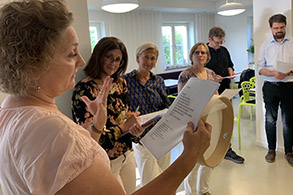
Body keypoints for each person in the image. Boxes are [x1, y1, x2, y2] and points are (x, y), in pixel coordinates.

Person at [0, 1, 212, 194]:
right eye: (72, 53)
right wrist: (189, 156)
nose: (81, 61)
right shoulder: (54, 131)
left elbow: (68, 170)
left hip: (124, 151)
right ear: (37, 64)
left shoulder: (8, 112)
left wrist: (97, 128)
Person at [71, 36, 144, 194]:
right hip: (104, 160)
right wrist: (124, 126)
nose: (113, 63)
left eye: (118, 59)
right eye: (109, 57)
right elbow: (91, 140)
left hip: (126, 154)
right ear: (99, 56)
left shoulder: (120, 83)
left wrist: (133, 129)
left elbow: (125, 116)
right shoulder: (84, 90)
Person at [123, 42, 171, 186]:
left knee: (164, 178)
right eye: (146, 57)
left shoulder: (158, 82)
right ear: (138, 58)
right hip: (141, 138)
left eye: (153, 58)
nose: (149, 62)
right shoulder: (125, 81)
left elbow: (166, 107)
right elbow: (122, 110)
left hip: (161, 135)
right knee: (149, 181)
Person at [257, 14, 293, 168]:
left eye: (282, 27)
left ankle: (289, 152)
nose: (279, 30)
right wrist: (274, 73)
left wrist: (289, 72)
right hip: (270, 87)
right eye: (276, 28)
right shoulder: (264, 46)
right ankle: (271, 150)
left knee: (288, 121)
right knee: (270, 120)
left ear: (285, 26)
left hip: (290, 87)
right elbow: (260, 69)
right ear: (271, 28)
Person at [178, 42, 217, 195]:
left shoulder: (211, 74)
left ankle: (204, 190)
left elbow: (216, 96)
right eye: (197, 52)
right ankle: (190, 192)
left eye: (203, 53)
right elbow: (182, 100)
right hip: (192, 121)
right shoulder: (185, 75)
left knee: (208, 157)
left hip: (210, 118)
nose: (200, 55)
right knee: (192, 159)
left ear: (207, 56)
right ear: (192, 55)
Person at [205, 26, 245, 164]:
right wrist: (212, 76)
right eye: (217, 42)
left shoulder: (224, 50)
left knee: (226, 121)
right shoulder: (202, 52)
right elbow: (197, 72)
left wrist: (230, 71)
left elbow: (230, 65)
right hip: (209, 93)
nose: (219, 45)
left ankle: (227, 150)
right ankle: (211, 151)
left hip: (225, 90)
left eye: (221, 42)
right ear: (210, 39)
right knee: (212, 123)